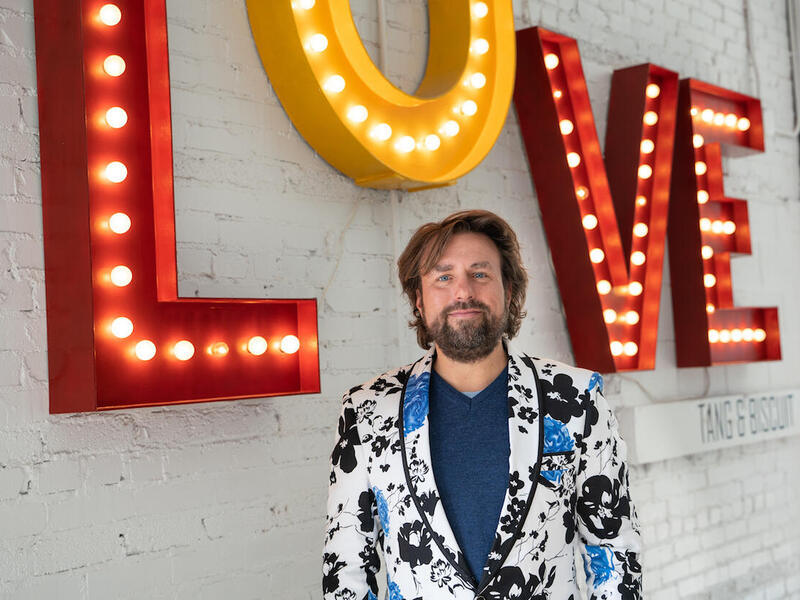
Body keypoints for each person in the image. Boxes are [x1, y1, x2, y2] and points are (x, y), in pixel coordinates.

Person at [323, 210, 641, 600]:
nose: (462, 292)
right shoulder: (368, 410)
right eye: (443, 277)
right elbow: (347, 565)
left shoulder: (575, 398)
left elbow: (613, 548)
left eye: (480, 273)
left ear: (509, 290)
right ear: (418, 300)